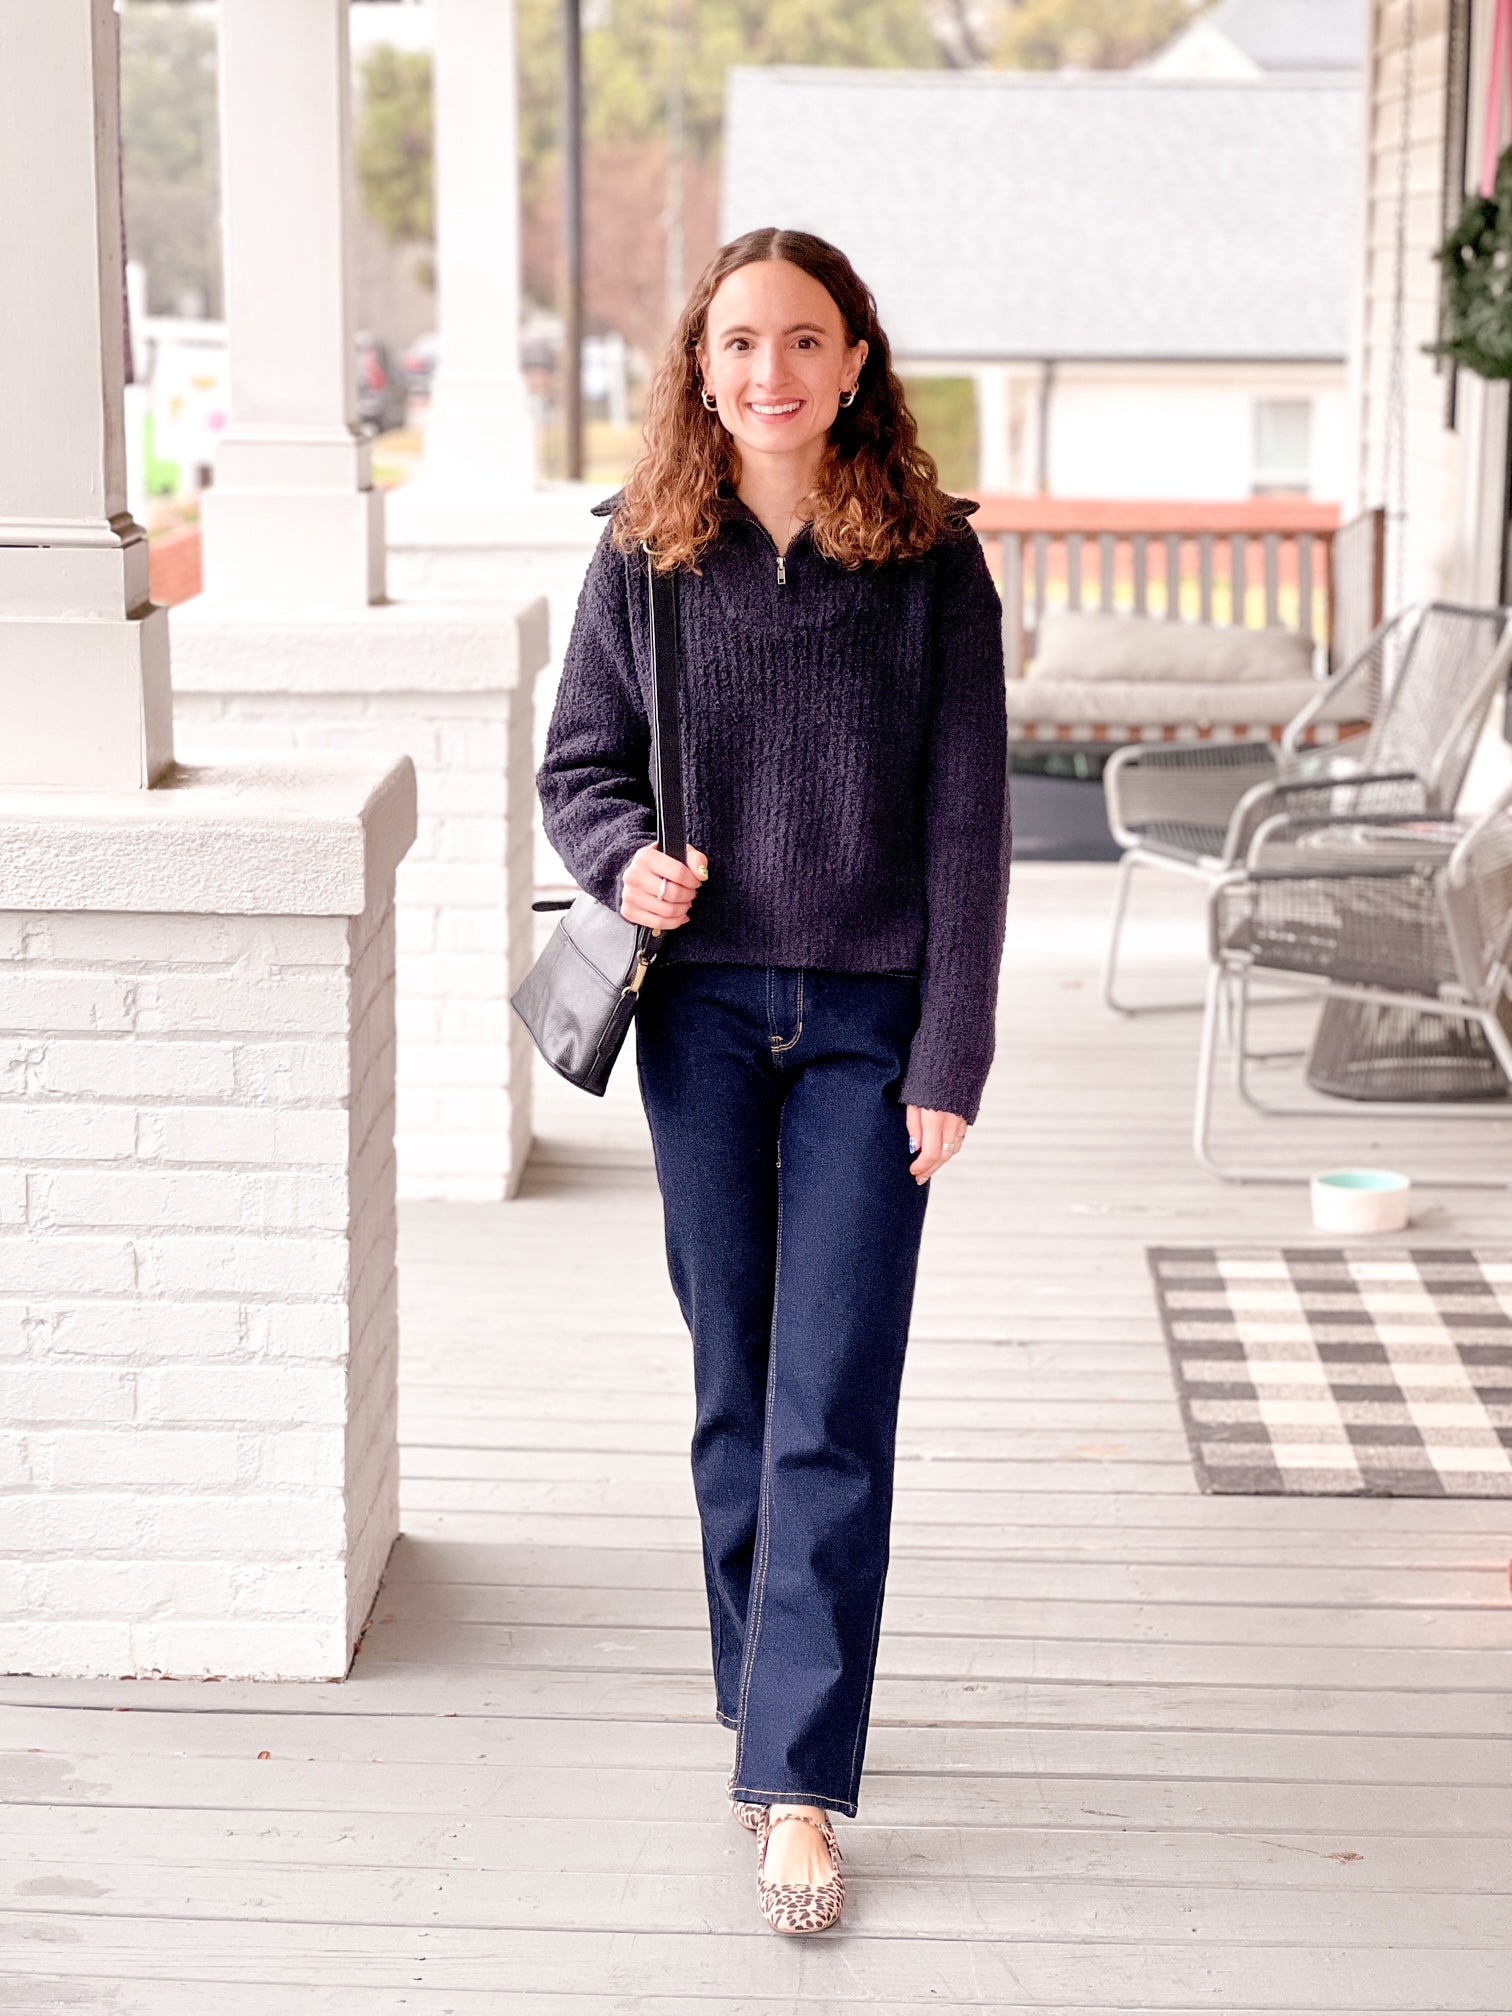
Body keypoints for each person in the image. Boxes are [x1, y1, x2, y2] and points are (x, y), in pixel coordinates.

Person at [537, 226, 1010, 1934]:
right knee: (736, 1386)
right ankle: (764, 1701)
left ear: (854, 362)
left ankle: (798, 1782)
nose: (770, 373)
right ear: (700, 365)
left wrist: (951, 1050)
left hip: (872, 1026)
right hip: (707, 1023)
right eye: (738, 343)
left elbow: (971, 825)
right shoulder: (644, 553)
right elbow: (578, 767)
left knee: (833, 1399)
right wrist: (626, 860)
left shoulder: (936, 564)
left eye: (802, 341)